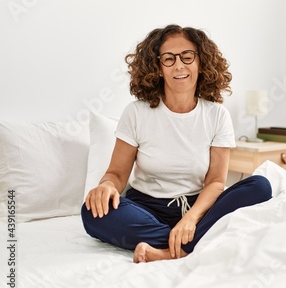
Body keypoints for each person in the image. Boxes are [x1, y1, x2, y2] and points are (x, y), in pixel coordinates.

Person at [81, 24, 272, 263]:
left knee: (260, 186)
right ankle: (192, 244)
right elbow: (116, 174)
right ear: (158, 67)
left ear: (201, 62)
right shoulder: (136, 113)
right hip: (145, 209)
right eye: (169, 59)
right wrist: (107, 186)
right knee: (92, 212)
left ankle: (173, 249)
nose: (179, 65)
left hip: (198, 208)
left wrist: (190, 219)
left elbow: (215, 182)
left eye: (187, 56)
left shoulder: (217, 115)